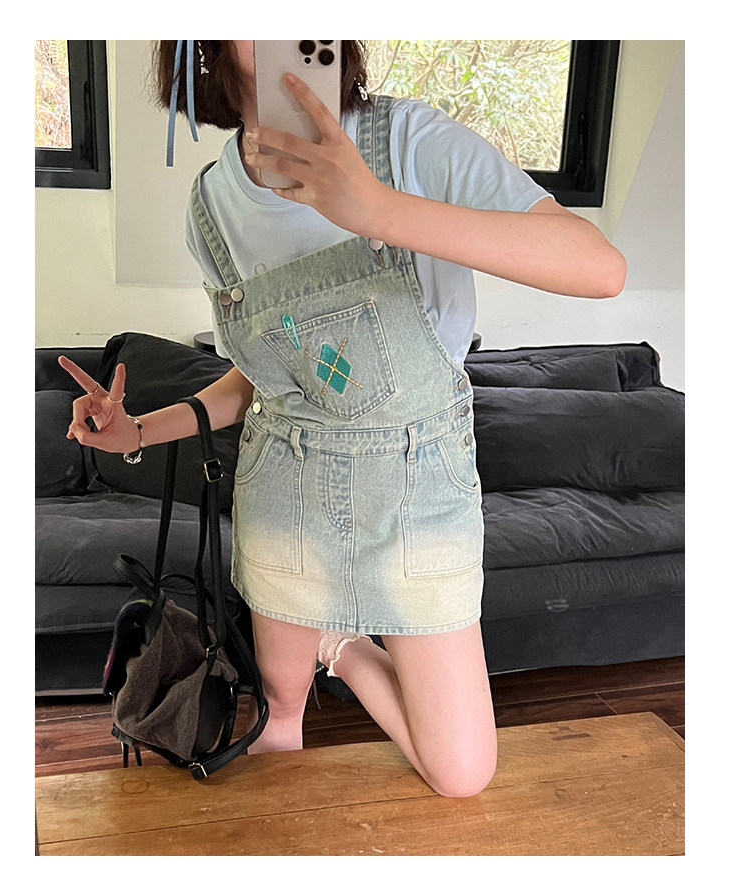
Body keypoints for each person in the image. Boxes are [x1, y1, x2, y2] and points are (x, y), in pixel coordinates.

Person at [60, 40, 625, 798]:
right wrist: (135, 432)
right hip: (286, 490)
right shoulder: (212, 207)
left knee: (461, 773)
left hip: (419, 493)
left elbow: (600, 267)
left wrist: (379, 210)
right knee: (278, 731)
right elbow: (265, 377)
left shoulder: (408, 142)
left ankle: (339, 644)